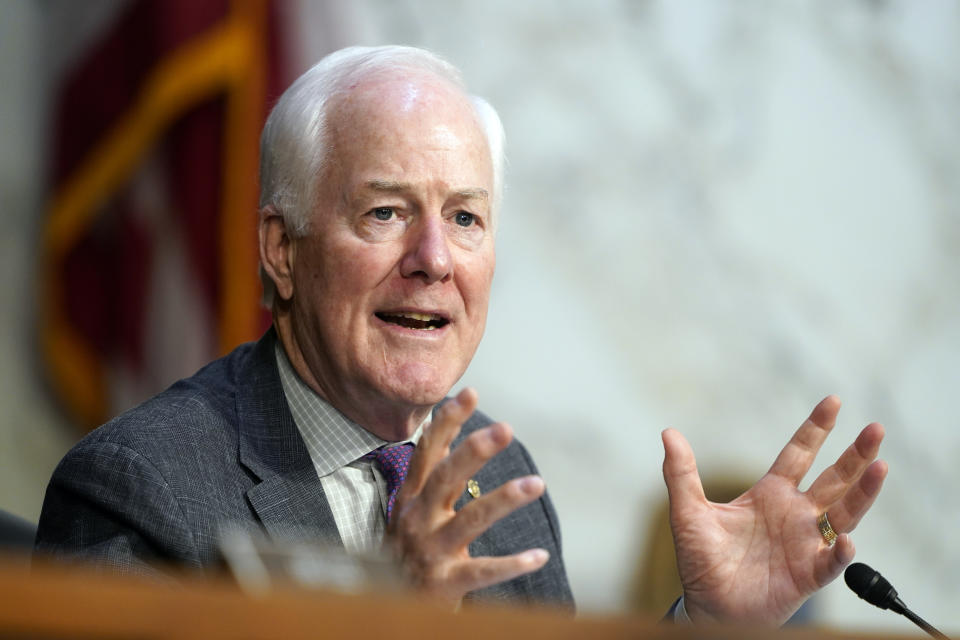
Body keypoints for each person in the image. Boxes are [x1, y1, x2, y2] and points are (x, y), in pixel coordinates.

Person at [35, 45, 887, 623]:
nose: (434, 259)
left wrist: (710, 626)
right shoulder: (139, 492)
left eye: (467, 218)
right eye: (385, 212)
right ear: (280, 251)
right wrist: (390, 628)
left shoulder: (499, 477)